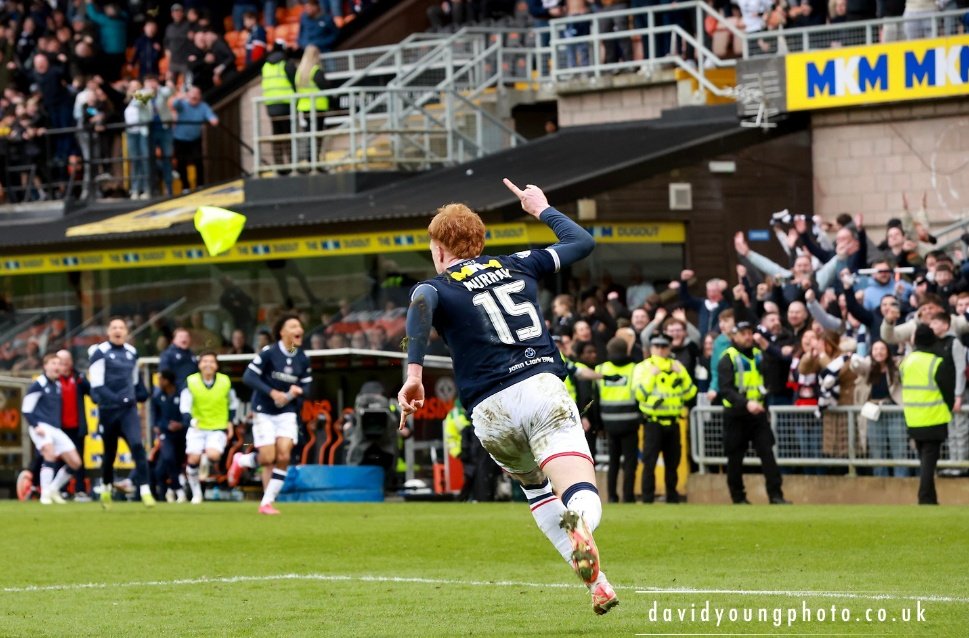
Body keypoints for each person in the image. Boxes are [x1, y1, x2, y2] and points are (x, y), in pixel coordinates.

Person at [396, 179, 618, 615]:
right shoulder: (518, 263)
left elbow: (421, 301)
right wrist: (541, 208)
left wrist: (414, 374)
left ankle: (599, 584)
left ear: (439, 249)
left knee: (537, 491)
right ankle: (580, 522)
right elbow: (582, 242)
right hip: (540, 389)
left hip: (490, 411)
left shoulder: (436, 286)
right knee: (578, 490)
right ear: (479, 242)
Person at [232, 313, 311, 514]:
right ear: (282, 332)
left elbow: (308, 388)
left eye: (299, 326)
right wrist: (272, 392)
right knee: (268, 458)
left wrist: (298, 391)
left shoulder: (302, 358)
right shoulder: (269, 352)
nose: (299, 330)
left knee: (283, 455)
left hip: (287, 412)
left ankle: (267, 502)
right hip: (264, 410)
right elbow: (249, 376)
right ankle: (241, 460)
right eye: (293, 326)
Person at [718, 321, 790, 505]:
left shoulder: (759, 355)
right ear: (734, 336)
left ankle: (776, 495)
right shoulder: (728, 358)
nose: (748, 337)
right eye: (743, 334)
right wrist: (746, 403)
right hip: (736, 414)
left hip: (757, 414)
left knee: (767, 453)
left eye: (750, 333)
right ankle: (738, 497)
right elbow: (725, 389)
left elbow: (769, 379)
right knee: (735, 458)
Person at [89, 317, 154, 508]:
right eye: (114, 327)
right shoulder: (100, 352)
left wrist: (142, 393)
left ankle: (145, 490)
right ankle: (106, 487)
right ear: (108, 332)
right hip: (108, 410)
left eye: (121, 327)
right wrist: (118, 399)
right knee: (110, 453)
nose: (118, 330)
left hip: (128, 411)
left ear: (126, 332)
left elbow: (135, 381)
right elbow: (98, 385)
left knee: (137, 446)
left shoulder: (131, 352)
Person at [633, 334, 696, 504]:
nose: (660, 350)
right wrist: (651, 376)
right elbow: (639, 395)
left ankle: (673, 497)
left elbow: (690, 393)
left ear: (669, 348)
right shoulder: (643, 368)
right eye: (657, 346)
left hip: (673, 422)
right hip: (653, 422)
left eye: (664, 346)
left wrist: (682, 376)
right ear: (651, 348)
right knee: (649, 462)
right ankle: (647, 498)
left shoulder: (678, 367)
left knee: (673, 463)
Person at [899, 325, 953, 505]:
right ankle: (924, 497)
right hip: (934, 417)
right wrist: (949, 407)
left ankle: (930, 497)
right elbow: (948, 390)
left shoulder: (906, 362)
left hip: (913, 418)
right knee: (929, 461)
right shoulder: (936, 362)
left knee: (924, 460)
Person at [22, 354, 83, 505]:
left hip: (55, 428)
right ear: (45, 366)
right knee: (49, 454)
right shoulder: (39, 384)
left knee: (75, 462)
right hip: (41, 427)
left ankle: (53, 489)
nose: (57, 367)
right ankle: (44, 494)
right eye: (53, 363)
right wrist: (35, 425)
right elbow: (26, 409)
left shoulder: (58, 385)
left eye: (59, 364)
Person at [180, 352, 237, 504]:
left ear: (216, 365)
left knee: (214, 455)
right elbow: (184, 405)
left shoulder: (225, 381)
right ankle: (196, 493)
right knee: (193, 458)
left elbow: (232, 403)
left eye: (211, 361)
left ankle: (205, 458)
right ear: (199, 365)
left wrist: (230, 422)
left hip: (217, 427)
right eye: (205, 361)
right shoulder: (191, 381)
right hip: (197, 427)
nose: (208, 365)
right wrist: (191, 421)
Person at [594, 336, 640, 504]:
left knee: (613, 462)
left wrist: (599, 425)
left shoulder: (601, 368)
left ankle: (612, 496)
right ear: (627, 350)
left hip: (609, 424)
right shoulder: (635, 369)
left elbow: (595, 400)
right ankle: (628, 496)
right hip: (630, 422)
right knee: (630, 463)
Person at [56, 349, 91, 500]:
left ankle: (80, 490)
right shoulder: (53, 380)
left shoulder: (78, 378)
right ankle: (60, 490)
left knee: (79, 460)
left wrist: (85, 381)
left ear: (71, 363)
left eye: (66, 362)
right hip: (59, 427)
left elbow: (92, 393)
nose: (64, 365)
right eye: (61, 362)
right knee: (59, 459)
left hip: (77, 427)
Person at [172, 85, 219, 192]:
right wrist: (180, 97)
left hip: (195, 139)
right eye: (192, 94)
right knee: (181, 163)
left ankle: (200, 185)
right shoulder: (183, 104)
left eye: (197, 94)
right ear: (188, 95)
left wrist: (213, 120)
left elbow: (211, 116)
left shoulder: (203, 106)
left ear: (200, 96)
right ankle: (185, 187)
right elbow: (175, 105)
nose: (194, 96)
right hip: (180, 139)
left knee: (198, 161)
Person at [260, 40, 296, 173]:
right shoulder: (286, 63)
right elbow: (295, 82)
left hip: (271, 105)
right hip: (286, 104)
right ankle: (291, 163)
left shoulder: (265, 65)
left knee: (276, 135)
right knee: (288, 135)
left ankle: (279, 165)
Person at [294, 44, 329, 167]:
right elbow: (325, 87)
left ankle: (310, 160)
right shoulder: (315, 71)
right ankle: (315, 161)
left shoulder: (299, 72)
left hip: (304, 108)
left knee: (309, 134)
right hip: (317, 107)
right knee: (317, 135)